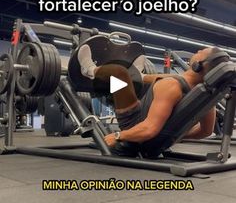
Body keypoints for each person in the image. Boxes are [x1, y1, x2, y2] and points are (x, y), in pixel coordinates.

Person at [78, 45, 229, 158]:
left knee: (118, 73)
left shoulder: (171, 86)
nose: (196, 52)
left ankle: (90, 70)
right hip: (152, 137)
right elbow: (206, 131)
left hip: (133, 122)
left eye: (200, 52)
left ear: (199, 64)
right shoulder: (206, 97)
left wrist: (118, 136)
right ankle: (137, 75)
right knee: (145, 81)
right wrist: (174, 135)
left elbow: (149, 129)